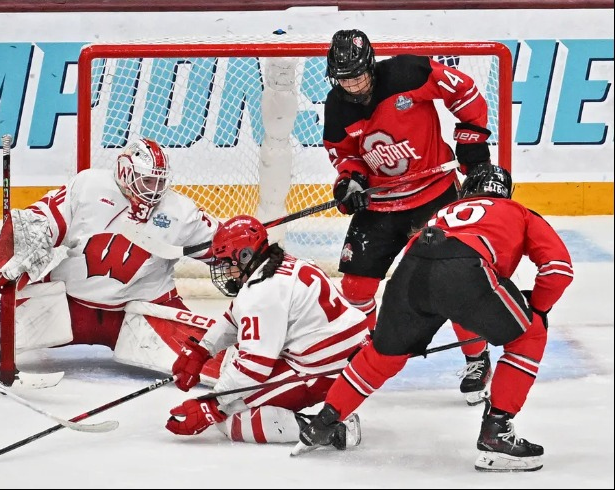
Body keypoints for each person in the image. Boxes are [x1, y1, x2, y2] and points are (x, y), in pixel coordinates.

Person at [296, 166, 573, 472]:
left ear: (467, 190)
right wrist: (537, 308)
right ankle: (497, 435)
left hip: (410, 272)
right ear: (506, 192)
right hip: (465, 270)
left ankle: (324, 422)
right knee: (529, 334)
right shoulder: (520, 212)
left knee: (382, 355)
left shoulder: (446, 210)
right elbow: (558, 269)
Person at [0, 137, 221, 380]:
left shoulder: (181, 212)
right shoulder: (88, 187)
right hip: (66, 307)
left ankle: (259, 366)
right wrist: (7, 253)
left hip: (141, 312)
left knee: (215, 348)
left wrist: (244, 252)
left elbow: (225, 246)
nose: (154, 190)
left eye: (159, 182)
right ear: (124, 171)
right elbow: (39, 221)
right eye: (147, 180)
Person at [323, 28, 496, 404]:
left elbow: (463, 90)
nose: (353, 84)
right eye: (344, 78)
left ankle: (476, 357)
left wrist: (472, 141)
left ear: (371, 65)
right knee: (355, 287)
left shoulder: (407, 74)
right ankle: (367, 354)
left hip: (434, 195)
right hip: (381, 203)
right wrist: (349, 182)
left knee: (454, 281)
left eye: (358, 74)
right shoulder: (337, 106)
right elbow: (343, 153)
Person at [164, 215, 369, 446]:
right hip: (343, 356)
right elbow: (234, 319)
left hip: (326, 370)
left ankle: (332, 431)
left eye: (226, 262)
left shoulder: (263, 292)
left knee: (231, 420)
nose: (225, 271)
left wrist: (210, 405)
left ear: (244, 256)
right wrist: (202, 350)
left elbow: (254, 367)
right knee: (232, 379)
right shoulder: (277, 265)